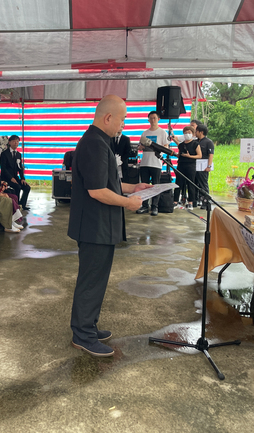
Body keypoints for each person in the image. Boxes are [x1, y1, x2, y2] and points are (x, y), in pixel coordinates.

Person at [68, 95, 151, 357]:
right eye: (122, 120)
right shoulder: (94, 143)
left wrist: (133, 188)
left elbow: (108, 183)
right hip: (94, 227)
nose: (123, 125)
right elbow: (96, 191)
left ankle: (89, 326)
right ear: (108, 117)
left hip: (99, 226)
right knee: (91, 281)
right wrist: (128, 203)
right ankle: (82, 334)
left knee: (97, 280)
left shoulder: (99, 141)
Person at [138, 111, 170, 216]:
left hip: (156, 163)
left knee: (156, 185)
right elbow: (139, 146)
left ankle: (155, 206)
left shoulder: (162, 132)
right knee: (144, 185)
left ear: (158, 119)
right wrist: (141, 147)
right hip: (145, 163)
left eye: (154, 118)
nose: (153, 120)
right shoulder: (145, 133)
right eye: (151, 118)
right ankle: (144, 205)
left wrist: (158, 149)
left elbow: (166, 146)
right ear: (148, 120)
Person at [172, 126, 201, 210]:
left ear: (192, 134)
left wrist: (189, 156)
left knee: (190, 183)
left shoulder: (195, 144)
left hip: (191, 165)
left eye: (189, 132)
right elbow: (179, 154)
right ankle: (175, 201)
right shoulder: (181, 145)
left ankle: (190, 202)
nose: (187, 134)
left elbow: (199, 155)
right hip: (181, 165)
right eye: (185, 133)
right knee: (178, 183)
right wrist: (175, 154)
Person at [0, 135, 31, 210]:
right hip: (6, 178)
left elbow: (20, 168)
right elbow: (3, 169)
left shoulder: (18, 154)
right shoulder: (4, 154)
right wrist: (10, 178)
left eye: (17, 141)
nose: (16, 143)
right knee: (17, 187)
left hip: (15, 177)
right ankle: (16, 205)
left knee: (27, 187)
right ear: (9, 142)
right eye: (14, 141)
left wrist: (22, 178)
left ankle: (22, 204)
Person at [195, 124, 215, 208]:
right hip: (195, 165)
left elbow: (211, 155)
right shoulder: (196, 141)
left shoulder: (208, 142)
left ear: (201, 132)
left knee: (203, 184)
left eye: (196, 131)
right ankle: (196, 200)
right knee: (195, 183)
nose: (195, 132)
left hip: (203, 165)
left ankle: (205, 201)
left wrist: (209, 166)